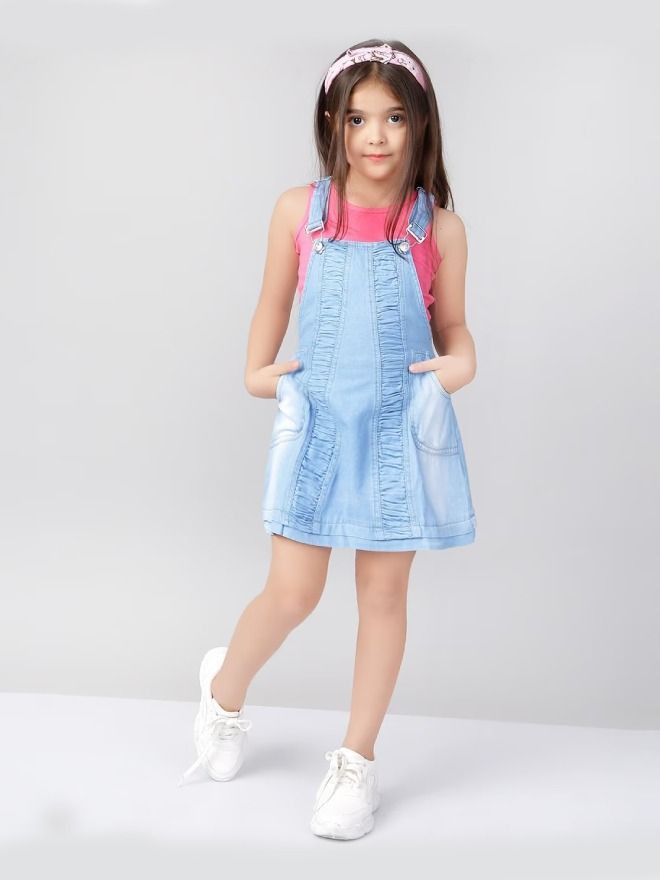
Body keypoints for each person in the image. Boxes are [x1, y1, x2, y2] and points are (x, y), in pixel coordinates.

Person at [178, 39, 478, 841]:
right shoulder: (298, 211)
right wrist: (257, 372)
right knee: (294, 593)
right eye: (357, 119)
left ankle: (356, 761)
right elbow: (273, 303)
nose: (375, 136)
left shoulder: (439, 228)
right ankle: (223, 693)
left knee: (383, 598)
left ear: (420, 125)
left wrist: (457, 367)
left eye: (393, 118)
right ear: (332, 123)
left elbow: (454, 328)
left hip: (396, 429)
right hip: (317, 426)